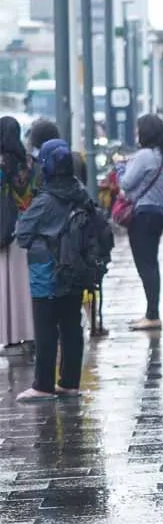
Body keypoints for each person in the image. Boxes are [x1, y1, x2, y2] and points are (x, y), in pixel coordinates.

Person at [14, 140, 91, 402]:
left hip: (45, 274)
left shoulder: (44, 201)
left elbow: (22, 235)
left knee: (46, 328)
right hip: (75, 272)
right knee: (71, 325)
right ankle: (69, 383)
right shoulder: (81, 193)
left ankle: (43, 385)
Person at [119, 114, 163, 331]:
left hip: (142, 214)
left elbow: (126, 183)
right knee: (152, 263)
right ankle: (152, 312)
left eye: (138, 129)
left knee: (145, 265)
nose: (136, 133)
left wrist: (120, 168)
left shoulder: (143, 155)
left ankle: (152, 315)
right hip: (159, 212)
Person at [0, 116, 35, 350]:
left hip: (3, 229)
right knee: (23, 284)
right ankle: (28, 333)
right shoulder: (27, 163)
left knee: (5, 284)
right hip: (24, 229)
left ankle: (9, 336)